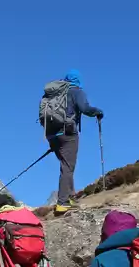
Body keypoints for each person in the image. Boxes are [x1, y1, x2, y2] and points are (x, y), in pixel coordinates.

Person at [43, 69, 102, 215]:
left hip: (51, 135)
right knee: (68, 167)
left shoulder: (54, 94)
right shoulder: (76, 91)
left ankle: (70, 197)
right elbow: (85, 108)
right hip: (68, 132)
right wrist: (98, 112)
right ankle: (62, 202)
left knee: (66, 165)